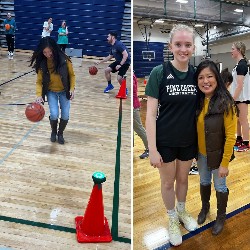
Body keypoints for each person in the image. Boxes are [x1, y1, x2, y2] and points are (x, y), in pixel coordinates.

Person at [145, 24, 198, 246]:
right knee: (168, 184)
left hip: (188, 141)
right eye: (178, 44)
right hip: (165, 141)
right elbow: (149, 115)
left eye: (187, 45)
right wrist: (153, 149)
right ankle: (172, 218)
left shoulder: (197, 75)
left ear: (193, 48)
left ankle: (183, 211)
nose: (183, 49)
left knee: (183, 180)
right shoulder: (159, 73)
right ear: (170, 46)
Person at [195, 60, 238, 235]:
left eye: (210, 76)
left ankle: (221, 216)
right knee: (204, 182)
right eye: (201, 77)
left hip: (219, 157)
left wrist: (225, 163)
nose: (205, 81)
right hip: (201, 155)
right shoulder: (197, 101)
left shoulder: (226, 103)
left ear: (217, 79)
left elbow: (230, 138)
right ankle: (205, 208)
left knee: (220, 187)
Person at [29, 37, 76, 144]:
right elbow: (39, 82)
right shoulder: (42, 63)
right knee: (54, 114)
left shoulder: (65, 59)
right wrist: (38, 95)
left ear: (54, 48)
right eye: (44, 52)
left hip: (65, 91)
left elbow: (72, 76)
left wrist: (72, 89)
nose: (47, 54)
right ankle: (54, 132)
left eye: (49, 51)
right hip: (51, 92)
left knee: (65, 115)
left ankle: (60, 133)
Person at [230, 42, 250, 152]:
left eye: (233, 49)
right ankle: (239, 139)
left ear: (239, 50)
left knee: (243, 121)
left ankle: (246, 143)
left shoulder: (242, 65)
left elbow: (240, 85)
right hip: (237, 98)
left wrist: (232, 99)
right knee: (237, 120)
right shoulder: (238, 65)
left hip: (241, 98)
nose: (231, 51)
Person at [133, 73, 149, 159]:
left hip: (133, 107)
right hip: (133, 105)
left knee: (139, 128)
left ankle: (149, 149)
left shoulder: (131, 77)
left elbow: (132, 92)